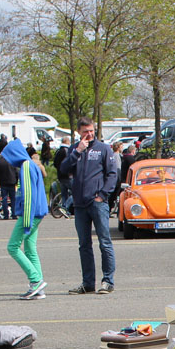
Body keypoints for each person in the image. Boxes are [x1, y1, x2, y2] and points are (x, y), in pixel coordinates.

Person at [59, 117, 118, 294]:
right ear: (79, 132)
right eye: (85, 131)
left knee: (105, 242)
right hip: (80, 204)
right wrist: (77, 151)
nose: (89, 134)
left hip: (97, 203)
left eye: (91, 130)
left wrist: (102, 195)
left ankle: (107, 281)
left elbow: (112, 174)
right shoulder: (74, 149)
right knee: (84, 245)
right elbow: (63, 169)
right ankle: (88, 283)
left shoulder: (103, 149)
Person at [0, 138, 49, 300]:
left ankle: (35, 280)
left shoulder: (26, 166)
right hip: (37, 212)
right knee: (30, 248)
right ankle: (38, 286)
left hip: (30, 214)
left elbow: (28, 195)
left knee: (12, 247)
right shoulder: (30, 165)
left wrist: (26, 219)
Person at [0, 147, 18, 220]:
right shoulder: (12, 162)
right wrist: (16, 181)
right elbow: (16, 172)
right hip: (12, 182)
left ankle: (6, 215)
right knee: (13, 199)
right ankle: (14, 214)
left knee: (4, 199)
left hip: (3, 183)